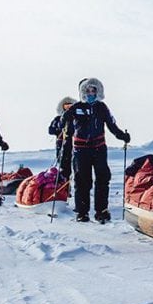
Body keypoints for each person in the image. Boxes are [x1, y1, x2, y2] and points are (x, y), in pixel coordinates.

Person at [62, 78, 130, 223]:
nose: (91, 93)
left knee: (102, 178)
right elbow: (64, 121)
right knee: (82, 181)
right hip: (81, 150)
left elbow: (112, 125)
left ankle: (102, 211)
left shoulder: (102, 107)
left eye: (93, 90)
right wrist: (65, 117)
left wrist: (122, 136)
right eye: (88, 90)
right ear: (83, 92)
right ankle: (82, 212)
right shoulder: (76, 107)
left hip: (99, 148)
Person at [49, 97, 76, 184]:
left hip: (75, 145)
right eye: (66, 105)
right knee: (64, 168)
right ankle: (64, 186)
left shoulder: (76, 119)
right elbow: (50, 130)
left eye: (70, 105)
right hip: (62, 146)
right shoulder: (57, 119)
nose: (68, 107)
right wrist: (59, 128)